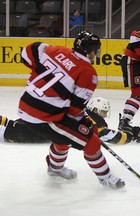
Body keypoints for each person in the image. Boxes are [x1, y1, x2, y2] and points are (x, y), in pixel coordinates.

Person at [17, 31, 125, 189]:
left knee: (64, 137)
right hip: (46, 118)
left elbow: (28, 52)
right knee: (92, 142)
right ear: (90, 50)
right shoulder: (89, 73)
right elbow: (74, 110)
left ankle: (55, 168)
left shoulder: (55, 50)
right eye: (95, 49)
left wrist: (37, 72)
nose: (96, 53)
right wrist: (86, 124)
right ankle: (106, 177)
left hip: (25, 107)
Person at [0, 97, 140, 144]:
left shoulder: (82, 112)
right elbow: (109, 136)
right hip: (38, 132)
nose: (105, 115)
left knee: (9, 125)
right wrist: (132, 136)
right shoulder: (92, 121)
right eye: (103, 112)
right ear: (96, 110)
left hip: (41, 123)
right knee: (10, 129)